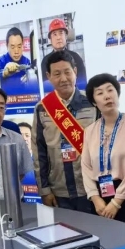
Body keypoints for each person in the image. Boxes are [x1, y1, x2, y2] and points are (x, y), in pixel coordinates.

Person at [32, 50, 98, 212]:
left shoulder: (93, 103)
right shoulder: (42, 108)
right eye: (57, 74)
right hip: (58, 191)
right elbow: (39, 151)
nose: (63, 79)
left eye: (67, 72)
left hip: (90, 189)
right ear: (49, 76)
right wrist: (44, 190)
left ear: (75, 72)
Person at [81, 74, 125, 228]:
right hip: (100, 200)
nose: (107, 96)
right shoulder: (90, 131)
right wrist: (94, 197)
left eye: (110, 90)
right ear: (94, 102)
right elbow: (86, 167)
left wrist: (116, 203)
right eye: (100, 93)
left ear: (117, 94)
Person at [41, 18, 86, 88]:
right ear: (50, 39)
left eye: (61, 33)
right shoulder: (45, 61)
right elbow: (44, 85)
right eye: (55, 34)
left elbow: (83, 81)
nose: (58, 37)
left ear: (66, 36)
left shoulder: (76, 57)